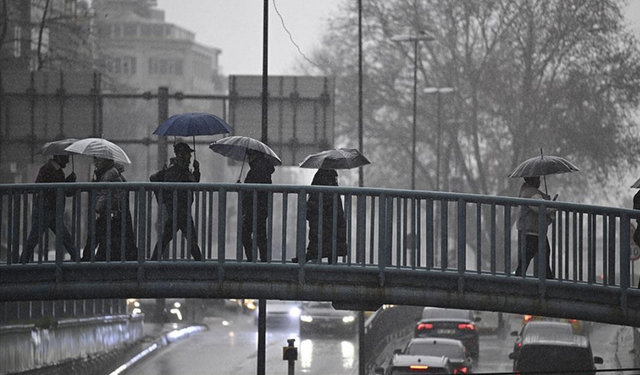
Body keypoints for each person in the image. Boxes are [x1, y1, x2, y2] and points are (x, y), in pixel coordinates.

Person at [21, 154, 79, 263]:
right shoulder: (47, 169)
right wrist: (67, 183)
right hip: (47, 210)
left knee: (35, 239)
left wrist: (69, 181)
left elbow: (60, 189)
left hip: (50, 210)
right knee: (64, 238)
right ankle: (78, 262)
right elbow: (49, 188)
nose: (67, 162)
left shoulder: (54, 170)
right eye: (65, 158)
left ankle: (21, 263)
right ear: (58, 158)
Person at [151, 142, 202, 261]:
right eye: (187, 154)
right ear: (180, 155)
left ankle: (153, 261)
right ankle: (202, 265)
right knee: (190, 239)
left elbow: (193, 184)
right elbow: (178, 188)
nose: (189, 157)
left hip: (179, 210)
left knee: (167, 238)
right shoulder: (174, 171)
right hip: (179, 210)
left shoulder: (182, 170)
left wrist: (196, 171)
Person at [81, 157, 138, 261]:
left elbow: (104, 194)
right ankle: (91, 258)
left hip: (108, 211)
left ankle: (86, 259)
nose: (95, 163)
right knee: (103, 236)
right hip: (113, 212)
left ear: (105, 161)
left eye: (98, 160)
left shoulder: (108, 174)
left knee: (95, 234)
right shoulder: (112, 172)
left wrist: (97, 210)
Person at [293, 168, 348, 264]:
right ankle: (332, 266)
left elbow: (313, 195)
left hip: (320, 215)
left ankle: (307, 258)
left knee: (318, 240)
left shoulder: (320, 176)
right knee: (333, 242)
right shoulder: (333, 177)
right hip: (332, 215)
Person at [514, 176, 556, 279]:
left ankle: (519, 279)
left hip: (533, 231)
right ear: (532, 180)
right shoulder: (531, 194)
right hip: (533, 231)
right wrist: (552, 206)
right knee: (539, 255)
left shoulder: (528, 192)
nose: (540, 181)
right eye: (537, 179)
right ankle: (548, 281)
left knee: (530, 257)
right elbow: (541, 208)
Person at [242, 150, 275, 262]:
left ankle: (252, 259)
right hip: (261, 207)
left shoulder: (257, 169)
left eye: (250, 155)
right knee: (260, 234)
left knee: (246, 233)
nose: (248, 158)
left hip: (254, 206)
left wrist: (242, 189)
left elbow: (251, 188)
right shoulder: (263, 167)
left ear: (256, 155)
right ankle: (263, 260)